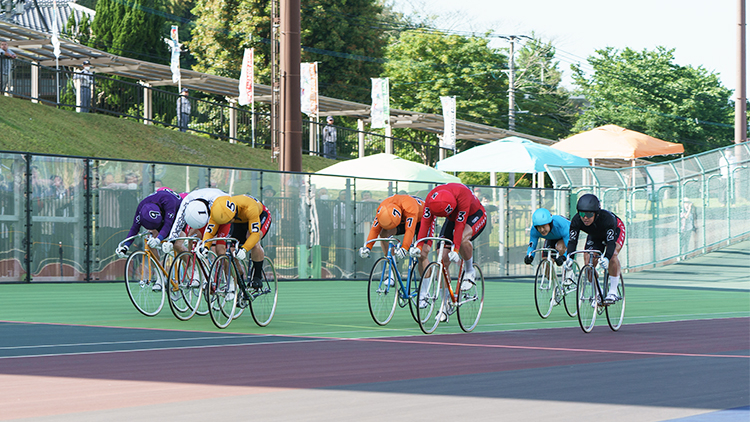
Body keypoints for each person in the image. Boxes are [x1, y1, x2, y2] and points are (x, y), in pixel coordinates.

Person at [415, 183, 487, 314]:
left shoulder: (463, 195)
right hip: (452, 218)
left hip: (474, 214)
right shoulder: (431, 198)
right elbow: (425, 223)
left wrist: (456, 249)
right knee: (442, 259)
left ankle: (470, 270)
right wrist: (419, 246)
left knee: (463, 238)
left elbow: (460, 226)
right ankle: (445, 303)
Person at [115, 188, 184, 289]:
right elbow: (134, 228)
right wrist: (125, 246)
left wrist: (159, 239)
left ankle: (193, 270)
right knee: (150, 239)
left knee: (177, 244)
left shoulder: (169, 202)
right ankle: (160, 276)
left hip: (178, 211)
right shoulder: (141, 207)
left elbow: (168, 224)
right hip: (160, 211)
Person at [565, 193, 626, 304]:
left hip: (615, 230)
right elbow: (572, 241)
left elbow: (611, 243)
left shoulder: (607, 219)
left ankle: (613, 292)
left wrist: (606, 258)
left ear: (596, 214)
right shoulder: (576, 220)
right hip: (595, 235)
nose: (585, 218)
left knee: (612, 255)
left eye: (589, 214)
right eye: (582, 213)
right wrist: (569, 257)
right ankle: (598, 293)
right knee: (588, 263)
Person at [204, 194, 273, 292]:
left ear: (233, 214)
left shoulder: (249, 207)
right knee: (231, 251)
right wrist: (205, 246)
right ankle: (240, 283)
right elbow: (210, 232)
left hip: (258, 214)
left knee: (253, 241)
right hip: (238, 221)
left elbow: (254, 234)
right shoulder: (217, 210)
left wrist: (244, 249)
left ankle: (257, 276)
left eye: (228, 221)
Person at [358, 195, 431, 283]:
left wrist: (404, 248)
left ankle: (425, 290)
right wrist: (367, 247)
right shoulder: (382, 209)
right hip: (402, 217)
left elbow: (410, 230)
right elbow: (375, 229)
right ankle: (393, 272)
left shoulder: (409, 207)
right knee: (384, 233)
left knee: (422, 254)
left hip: (421, 218)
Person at [524, 208, 574, 284]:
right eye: (539, 227)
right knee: (546, 265)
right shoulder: (534, 230)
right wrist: (529, 256)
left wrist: (563, 257)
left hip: (565, 234)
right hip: (551, 237)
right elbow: (532, 245)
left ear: (550, 223)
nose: (542, 230)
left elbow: (571, 248)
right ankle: (556, 289)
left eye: (544, 226)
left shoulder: (561, 225)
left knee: (559, 247)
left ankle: (569, 270)